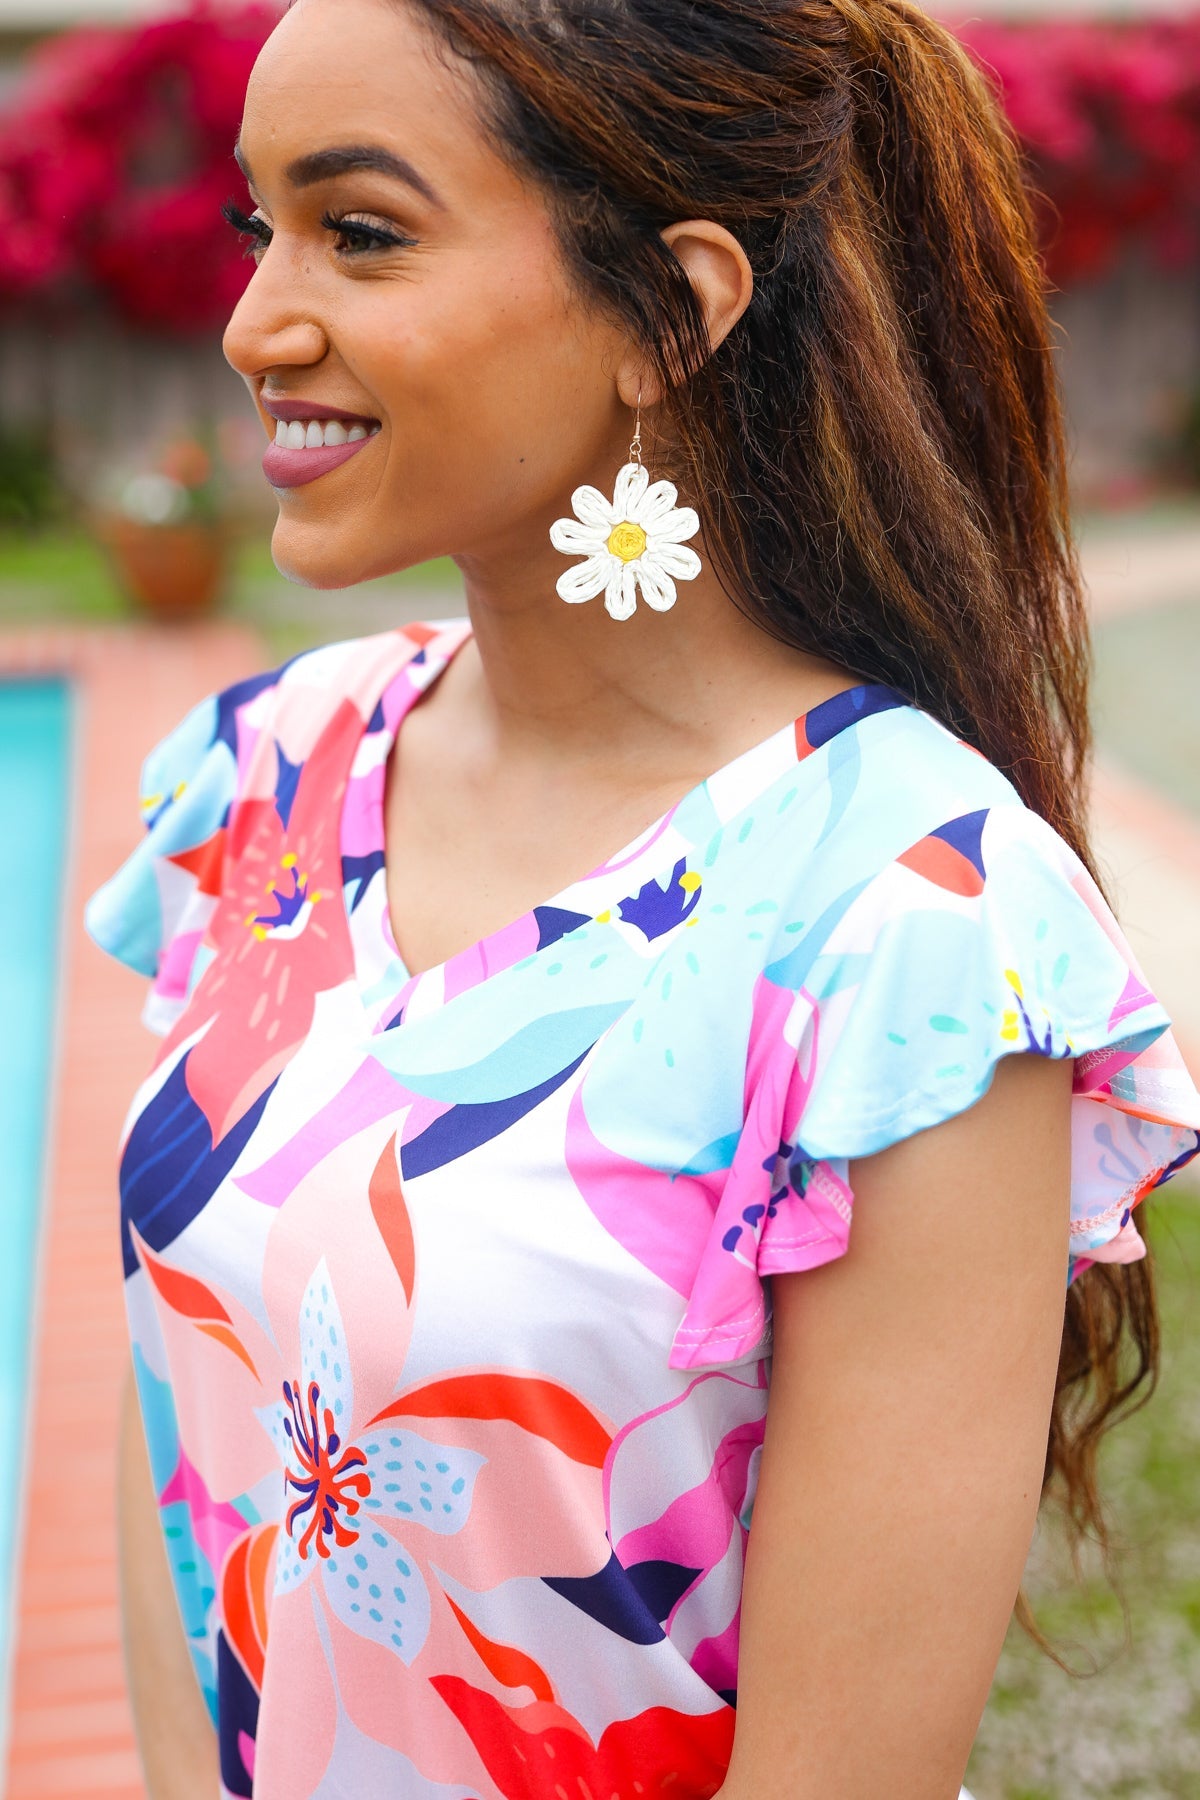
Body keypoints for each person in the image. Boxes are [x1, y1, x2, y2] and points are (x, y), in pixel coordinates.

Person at [86, 1, 1200, 1796]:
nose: (254, 322)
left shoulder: (907, 923)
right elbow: (181, 1450)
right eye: (257, 227)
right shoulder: (263, 778)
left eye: (358, 232)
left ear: (673, 309)